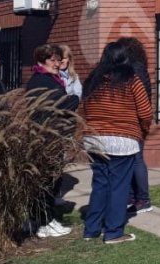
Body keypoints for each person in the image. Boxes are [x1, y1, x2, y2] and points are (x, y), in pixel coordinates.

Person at [81, 41, 153, 244]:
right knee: (119, 186)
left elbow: (84, 108)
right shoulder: (132, 80)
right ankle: (113, 232)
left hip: (94, 138)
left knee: (100, 184)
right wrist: (142, 131)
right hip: (123, 140)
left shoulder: (93, 80)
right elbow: (145, 113)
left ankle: (91, 229)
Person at [25, 43, 79, 239]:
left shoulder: (50, 79)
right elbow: (58, 105)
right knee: (46, 181)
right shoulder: (41, 80)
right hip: (46, 136)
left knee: (50, 179)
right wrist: (74, 99)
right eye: (52, 60)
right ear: (41, 61)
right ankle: (44, 221)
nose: (57, 63)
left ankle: (43, 219)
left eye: (58, 59)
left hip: (52, 135)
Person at [117, 37, 153, 215]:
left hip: (134, 120)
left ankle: (143, 199)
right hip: (133, 119)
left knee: (136, 159)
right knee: (131, 159)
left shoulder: (133, 70)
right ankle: (131, 196)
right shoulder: (138, 69)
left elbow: (141, 98)